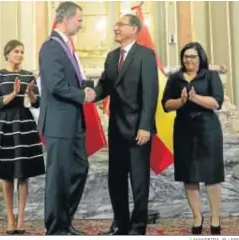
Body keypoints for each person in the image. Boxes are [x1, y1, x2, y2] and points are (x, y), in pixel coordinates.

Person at [92, 14, 159, 235]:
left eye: (120, 25)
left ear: (133, 29)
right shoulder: (111, 57)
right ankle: (120, 224)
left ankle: (138, 227)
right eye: (116, 24)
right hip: (117, 128)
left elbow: (150, 93)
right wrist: (87, 94)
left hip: (139, 129)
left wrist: (145, 126)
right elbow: (103, 86)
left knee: (139, 181)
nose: (115, 28)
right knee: (116, 179)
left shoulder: (146, 55)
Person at [38, 2, 95, 235]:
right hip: (58, 123)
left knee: (79, 169)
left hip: (73, 122)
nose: (81, 25)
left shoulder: (67, 47)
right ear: (67, 19)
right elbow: (55, 85)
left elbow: (72, 80)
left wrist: (90, 89)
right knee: (58, 176)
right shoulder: (51, 47)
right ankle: (55, 228)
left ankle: (64, 222)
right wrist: (82, 95)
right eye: (79, 20)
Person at [161, 42, 224, 235]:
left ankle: (215, 217)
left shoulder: (211, 76)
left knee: (211, 176)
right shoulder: (175, 78)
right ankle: (197, 216)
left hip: (208, 129)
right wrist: (181, 102)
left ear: (200, 58)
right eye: (186, 56)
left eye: (193, 56)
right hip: (184, 130)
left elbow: (217, 102)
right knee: (189, 176)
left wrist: (196, 99)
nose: (189, 60)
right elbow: (166, 104)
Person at [0, 40, 45, 235]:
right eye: (16, 51)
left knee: (23, 174)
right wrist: (13, 93)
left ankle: (21, 220)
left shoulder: (28, 75)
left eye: (22, 52)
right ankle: (10, 218)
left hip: (24, 124)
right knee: (7, 175)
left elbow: (36, 103)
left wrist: (29, 94)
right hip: (5, 125)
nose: (20, 55)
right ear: (8, 53)